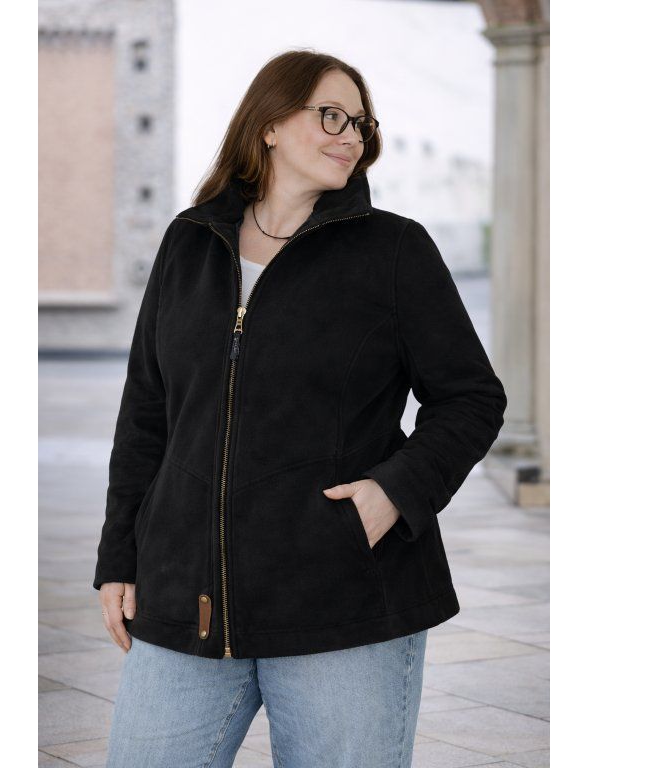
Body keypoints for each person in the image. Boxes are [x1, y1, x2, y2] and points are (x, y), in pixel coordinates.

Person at [94, 49, 508, 767]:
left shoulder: (394, 251)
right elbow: (146, 413)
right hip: (187, 598)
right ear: (270, 124)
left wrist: (392, 492)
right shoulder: (191, 242)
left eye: (361, 123)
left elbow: (472, 397)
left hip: (342, 602)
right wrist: (118, 558)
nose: (352, 135)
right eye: (331, 116)